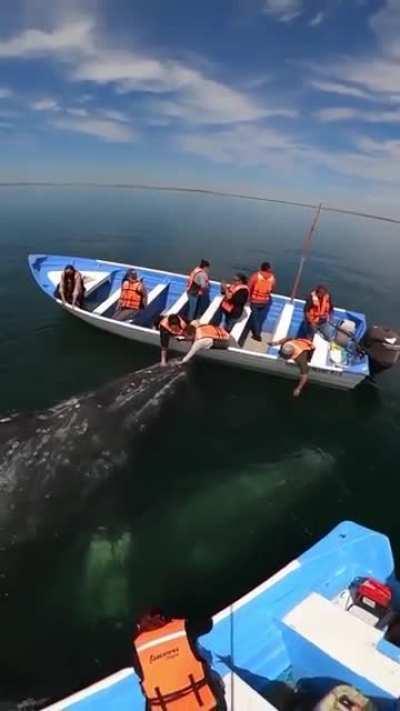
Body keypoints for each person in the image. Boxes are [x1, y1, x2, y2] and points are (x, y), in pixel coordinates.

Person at [132, 609, 226, 710]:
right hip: (208, 707)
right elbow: (208, 624)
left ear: (139, 626)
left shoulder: (137, 649)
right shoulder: (183, 629)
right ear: (162, 617)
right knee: (211, 672)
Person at [248, 262, 276, 341]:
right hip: (265, 301)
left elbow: (249, 287)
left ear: (261, 268)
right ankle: (258, 331)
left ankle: (257, 334)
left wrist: (248, 299)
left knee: (255, 317)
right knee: (260, 318)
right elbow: (272, 289)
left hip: (255, 300)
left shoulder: (256, 276)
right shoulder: (272, 278)